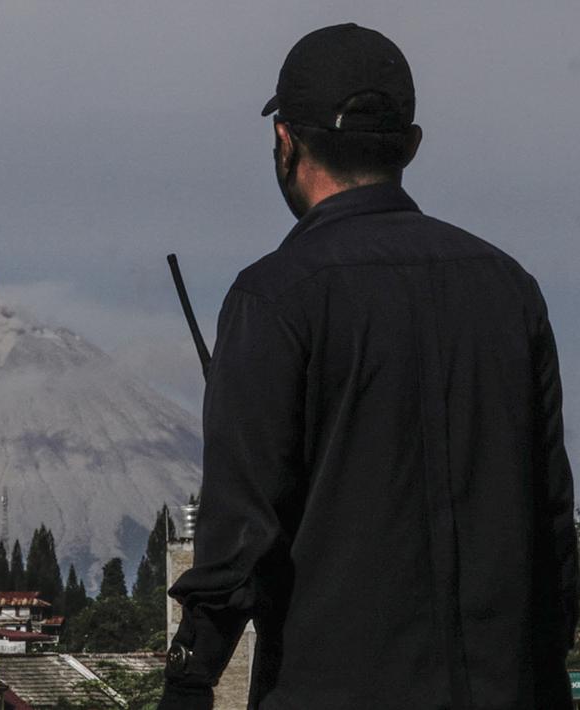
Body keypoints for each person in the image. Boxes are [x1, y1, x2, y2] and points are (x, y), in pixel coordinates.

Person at [158, 24, 575, 709]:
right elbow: (553, 522)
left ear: (284, 142)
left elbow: (238, 531)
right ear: (410, 145)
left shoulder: (275, 298)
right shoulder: (510, 288)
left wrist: (189, 677)